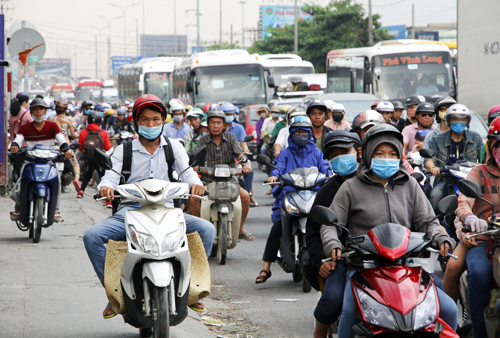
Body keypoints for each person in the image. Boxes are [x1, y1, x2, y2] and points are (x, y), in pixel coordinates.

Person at [83, 95, 215, 318]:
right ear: (136, 122)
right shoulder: (124, 149)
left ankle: (192, 289)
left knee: (207, 230)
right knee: (91, 236)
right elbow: (111, 175)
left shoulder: (175, 147)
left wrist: (196, 184)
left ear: (163, 120)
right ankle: (114, 291)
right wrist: (106, 187)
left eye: (155, 119)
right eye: (145, 120)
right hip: (130, 210)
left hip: (168, 210)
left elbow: (187, 171)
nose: (151, 125)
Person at [321, 124, 457, 338]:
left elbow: (428, 220)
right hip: (363, 268)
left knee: (449, 309)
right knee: (349, 312)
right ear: (367, 154)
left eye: (393, 153)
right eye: (380, 153)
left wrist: (441, 237)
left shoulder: (410, 185)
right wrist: (333, 244)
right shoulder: (350, 187)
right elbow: (329, 223)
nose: (387, 158)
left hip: (408, 267)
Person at [443, 117, 500, 337]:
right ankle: (477, 330)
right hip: (483, 239)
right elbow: (464, 201)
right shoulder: (479, 172)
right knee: (477, 273)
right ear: (491, 146)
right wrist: (469, 219)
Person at [256, 115, 330, 284]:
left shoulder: (317, 153)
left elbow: (325, 167)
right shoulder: (285, 153)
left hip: (312, 194)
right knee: (277, 228)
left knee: (326, 225)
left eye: (305, 131)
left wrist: (330, 174)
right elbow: (277, 167)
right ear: (292, 133)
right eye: (298, 131)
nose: (302, 135)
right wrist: (274, 176)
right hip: (288, 194)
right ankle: (266, 268)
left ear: (310, 133)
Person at [306, 130, 361, 338]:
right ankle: (319, 333)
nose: (341, 158)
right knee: (332, 300)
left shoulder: (377, 184)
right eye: (334, 155)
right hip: (342, 259)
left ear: (359, 152)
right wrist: (323, 259)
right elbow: (313, 232)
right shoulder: (327, 192)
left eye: (346, 151)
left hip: (381, 257)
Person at [193, 110, 254, 241]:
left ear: (224, 125)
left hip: (229, 179)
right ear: (208, 125)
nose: (216, 126)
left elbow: (240, 154)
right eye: (213, 122)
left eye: (219, 123)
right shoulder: (202, 140)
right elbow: (194, 156)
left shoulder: (231, 138)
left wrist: (244, 164)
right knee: (193, 198)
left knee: (245, 197)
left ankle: (240, 228)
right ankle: (197, 231)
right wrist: (194, 165)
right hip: (206, 179)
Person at [10, 98, 74, 222]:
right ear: (32, 112)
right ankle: (18, 207)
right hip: (30, 161)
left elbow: (61, 140)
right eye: (35, 109)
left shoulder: (53, 126)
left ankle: (56, 210)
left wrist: (66, 150)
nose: (38, 112)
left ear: (45, 111)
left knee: (57, 181)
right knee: (20, 181)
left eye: (41, 109)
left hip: (48, 162)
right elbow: (18, 139)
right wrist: (15, 146)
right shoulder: (25, 128)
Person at [424, 104, 483, 210]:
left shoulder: (476, 138)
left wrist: (481, 166)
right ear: (449, 120)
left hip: (469, 180)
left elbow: (484, 158)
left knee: (484, 197)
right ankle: (434, 223)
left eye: (462, 119)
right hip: (445, 179)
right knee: (435, 195)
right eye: (455, 119)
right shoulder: (437, 139)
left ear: (467, 121)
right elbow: (429, 159)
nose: (459, 121)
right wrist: (433, 167)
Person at [219, 102, 257, 205]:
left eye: (231, 114)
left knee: (249, 172)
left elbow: (243, 142)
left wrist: (245, 149)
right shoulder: (217, 128)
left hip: (236, 159)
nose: (229, 116)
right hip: (218, 159)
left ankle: (247, 195)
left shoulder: (239, 128)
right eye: (226, 114)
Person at [77, 111, 112, 200]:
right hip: (100, 160)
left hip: (88, 160)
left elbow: (80, 147)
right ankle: (108, 200)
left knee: (87, 176)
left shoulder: (83, 132)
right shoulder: (103, 132)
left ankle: (81, 192)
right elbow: (108, 147)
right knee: (103, 178)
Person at [48, 100, 81, 192]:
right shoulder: (69, 120)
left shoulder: (50, 118)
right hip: (65, 146)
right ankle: (76, 179)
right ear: (65, 109)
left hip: (52, 145)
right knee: (75, 163)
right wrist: (78, 135)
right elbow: (73, 135)